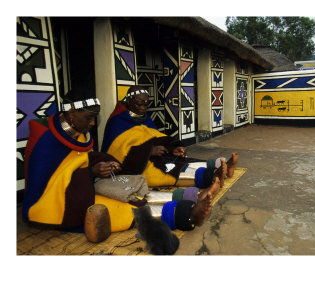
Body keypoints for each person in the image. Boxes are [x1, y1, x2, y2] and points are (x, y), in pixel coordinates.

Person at [23, 88, 220, 243]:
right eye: (89, 118)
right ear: (72, 113)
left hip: (86, 188)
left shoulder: (78, 131)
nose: (93, 123)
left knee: (137, 189)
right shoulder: (45, 141)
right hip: (61, 203)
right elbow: (50, 184)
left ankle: (194, 193)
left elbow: (86, 157)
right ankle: (185, 214)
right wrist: (92, 172)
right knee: (121, 209)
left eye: (95, 118)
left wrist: (102, 163)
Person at [101, 85, 238, 190]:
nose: (143, 108)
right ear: (129, 101)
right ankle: (210, 176)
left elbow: (154, 136)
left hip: (150, 156)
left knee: (178, 159)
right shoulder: (117, 121)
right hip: (134, 165)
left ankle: (219, 166)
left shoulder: (143, 117)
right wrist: (149, 151)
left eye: (146, 104)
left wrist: (172, 148)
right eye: (139, 104)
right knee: (162, 172)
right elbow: (117, 153)